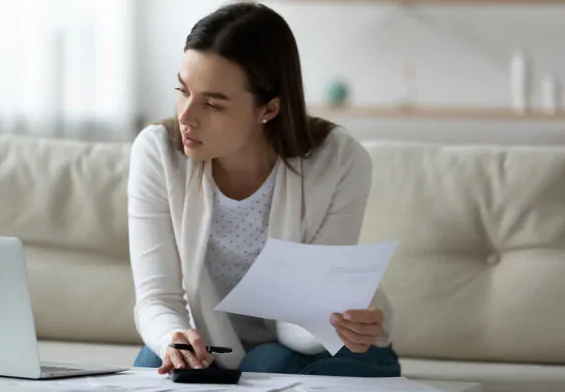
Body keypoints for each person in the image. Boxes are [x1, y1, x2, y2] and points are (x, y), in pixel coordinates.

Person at [127, 2, 400, 377]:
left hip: (320, 343)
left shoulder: (338, 160)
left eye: (212, 104)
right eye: (182, 90)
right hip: (216, 341)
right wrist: (173, 340)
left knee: (267, 364)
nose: (185, 117)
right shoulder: (158, 153)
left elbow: (301, 317)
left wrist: (338, 323)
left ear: (268, 109)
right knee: (151, 366)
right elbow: (157, 299)